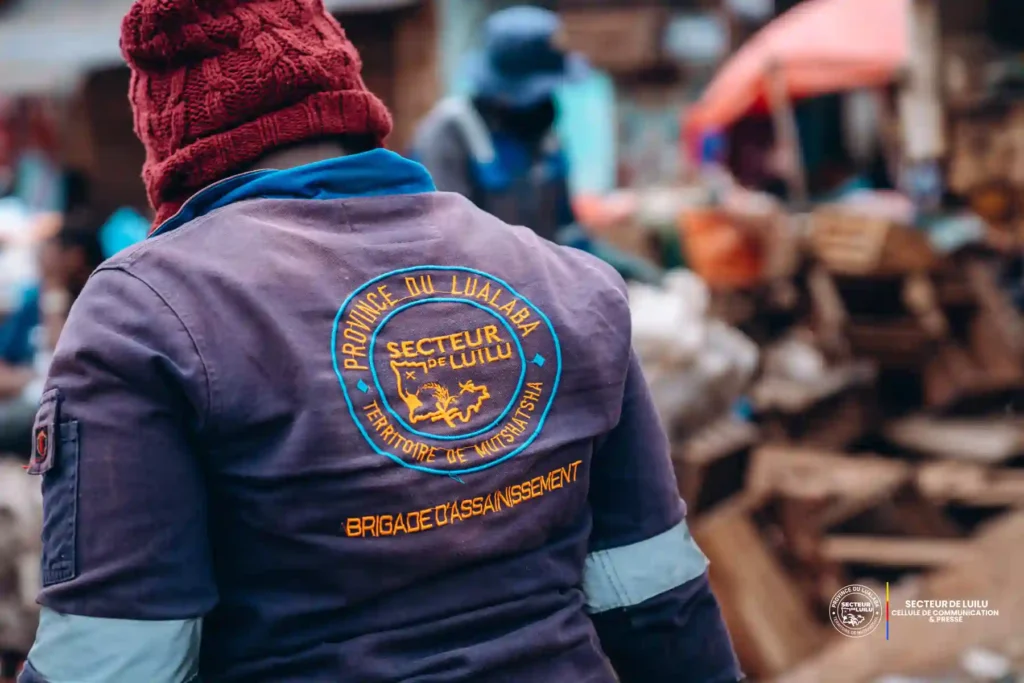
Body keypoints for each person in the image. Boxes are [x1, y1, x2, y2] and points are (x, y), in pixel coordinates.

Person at [20, 1, 741, 682]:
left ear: (170, 149)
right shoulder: (571, 284)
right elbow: (660, 605)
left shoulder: (143, 313)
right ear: (350, 101)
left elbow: (116, 661)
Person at [413, 6, 663, 284]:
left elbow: (565, 235)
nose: (547, 100)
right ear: (504, 90)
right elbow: (449, 247)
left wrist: (616, 269)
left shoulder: (543, 137)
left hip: (535, 293)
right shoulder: (449, 136)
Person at [0, 213, 103, 453]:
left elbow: (63, 362)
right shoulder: (32, 299)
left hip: (66, 414)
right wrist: (28, 380)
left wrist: (54, 291)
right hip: (23, 403)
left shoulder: (98, 302)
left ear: (75, 256)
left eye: (50, 247)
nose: (42, 254)